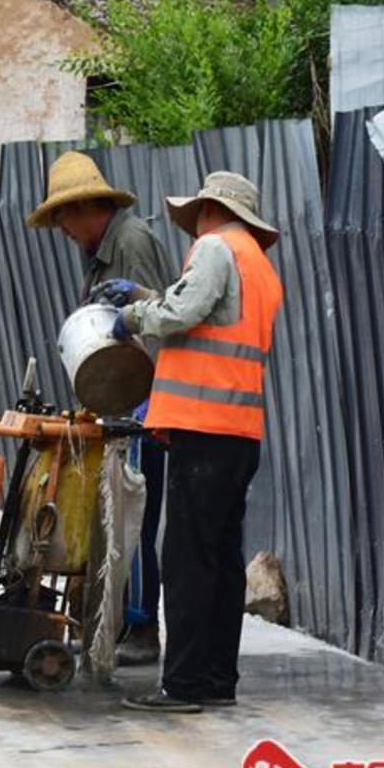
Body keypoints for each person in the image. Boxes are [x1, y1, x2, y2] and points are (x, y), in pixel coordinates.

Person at [109, 171, 284, 714]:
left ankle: (182, 684)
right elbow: (208, 314)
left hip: (202, 428)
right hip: (239, 431)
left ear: (209, 210)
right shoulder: (259, 264)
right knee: (222, 560)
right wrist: (151, 298)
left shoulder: (214, 247)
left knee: (186, 559)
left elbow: (182, 313)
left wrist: (131, 317)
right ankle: (216, 678)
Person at [25, 151, 175, 666]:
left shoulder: (130, 243)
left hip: (145, 405)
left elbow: (160, 321)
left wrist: (142, 406)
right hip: (122, 401)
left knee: (133, 519)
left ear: (86, 209)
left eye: (65, 221)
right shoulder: (98, 251)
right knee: (112, 518)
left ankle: (142, 627)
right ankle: (115, 620)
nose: (65, 232)